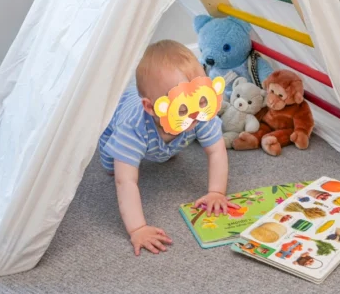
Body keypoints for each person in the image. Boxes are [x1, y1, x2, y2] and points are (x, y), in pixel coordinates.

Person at [98, 39, 236, 256]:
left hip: (164, 135)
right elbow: (126, 181)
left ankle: (165, 148)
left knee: (170, 147)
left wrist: (216, 192)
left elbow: (216, 151)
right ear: (151, 107)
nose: (194, 113)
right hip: (118, 120)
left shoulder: (200, 112)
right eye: (182, 107)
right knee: (113, 168)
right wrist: (138, 228)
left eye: (200, 100)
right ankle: (148, 149)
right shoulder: (130, 128)